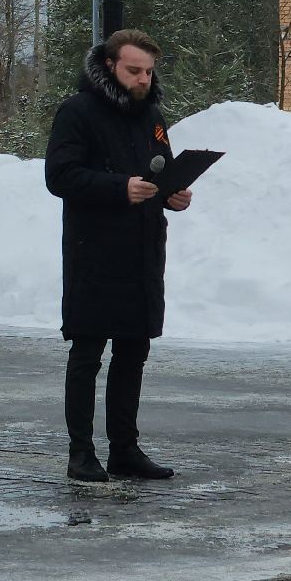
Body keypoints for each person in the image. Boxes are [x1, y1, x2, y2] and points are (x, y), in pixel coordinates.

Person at [43, 29, 190, 483]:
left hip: (143, 249)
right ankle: (81, 453)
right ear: (109, 66)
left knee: (134, 350)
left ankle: (124, 449)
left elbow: (158, 169)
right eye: (134, 70)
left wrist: (172, 195)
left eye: (149, 71)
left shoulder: (152, 117)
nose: (143, 79)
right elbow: (60, 176)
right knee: (88, 351)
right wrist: (118, 187)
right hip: (94, 249)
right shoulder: (78, 111)